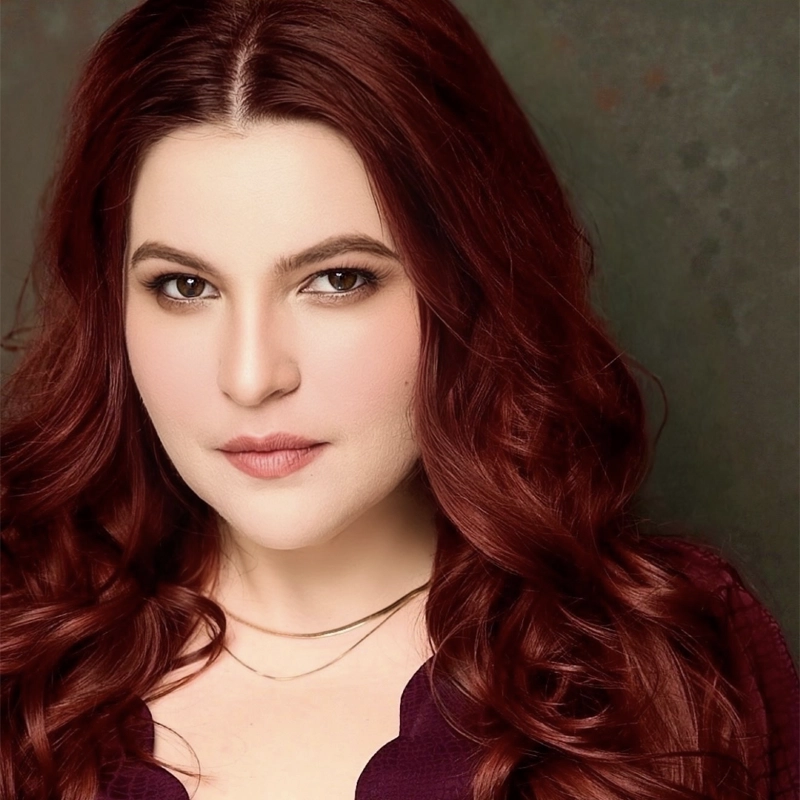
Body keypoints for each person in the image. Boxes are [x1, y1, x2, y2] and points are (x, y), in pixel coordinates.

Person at [1, 0, 797, 798]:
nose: (250, 377)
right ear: (114, 306)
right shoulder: (19, 661)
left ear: (470, 285)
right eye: (184, 285)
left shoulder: (668, 659)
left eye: (338, 280)